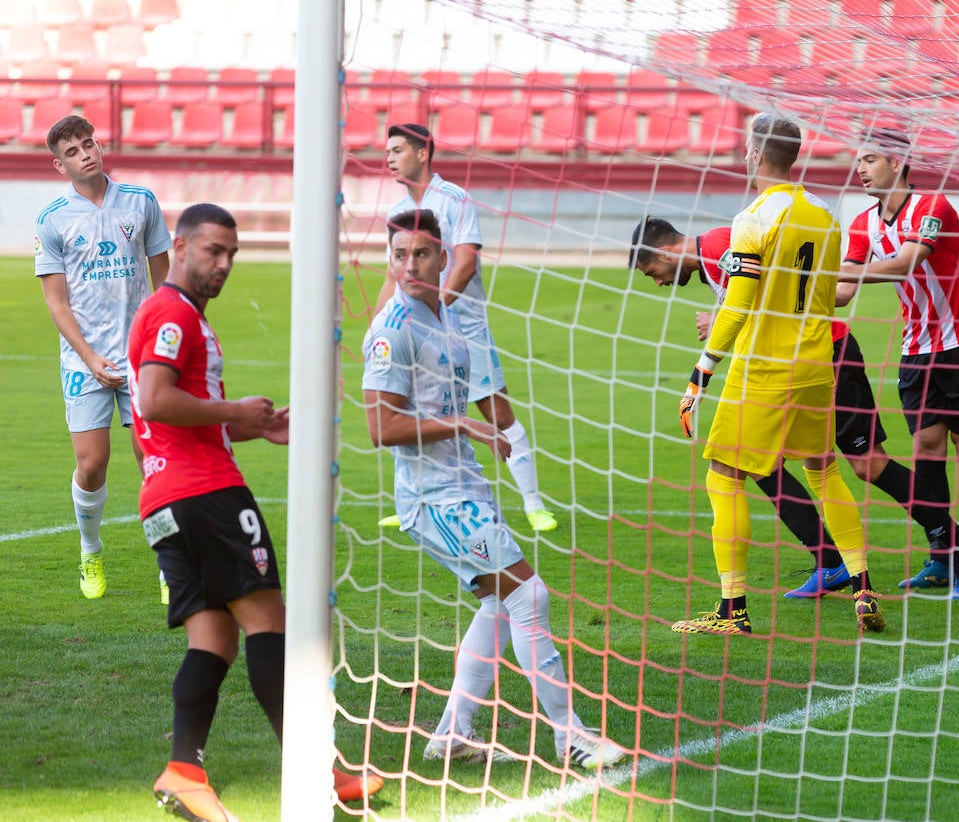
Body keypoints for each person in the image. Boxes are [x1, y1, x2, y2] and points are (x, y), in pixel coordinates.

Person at [131, 204, 383, 822]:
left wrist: (253, 427)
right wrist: (234, 414)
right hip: (207, 495)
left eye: (232, 254)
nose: (223, 264)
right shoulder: (172, 313)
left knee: (212, 639)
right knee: (270, 623)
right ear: (181, 245)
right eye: (213, 250)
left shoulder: (180, 316)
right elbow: (155, 400)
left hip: (165, 499)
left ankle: (184, 769)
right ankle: (316, 771)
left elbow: (170, 419)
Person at [364, 209, 625, 770]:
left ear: (445, 256)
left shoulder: (449, 321)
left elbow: (470, 399)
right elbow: (380, 428)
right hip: (432, 499)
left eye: (423, 253)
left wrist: (484, 426)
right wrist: (463, 425)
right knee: (528, 597)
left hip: (464, 487)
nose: (410, 264)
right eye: (401, 254)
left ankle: (451, 733)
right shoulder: (393, 331)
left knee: (502, 605)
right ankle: (570, 736)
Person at [630, 216, 927, 600]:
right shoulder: (714, 258)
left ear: (666, 251)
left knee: (862, 462)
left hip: (817, 356)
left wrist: (705, 359)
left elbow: (769, 302)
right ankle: (842, 569)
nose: (657, 282)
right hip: (795, 361)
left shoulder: (723, 246)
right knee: (771, 465)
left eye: (652, 271)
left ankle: (951, 542)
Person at [673, 114, 884, 636]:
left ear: (754, 154)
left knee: (723, 476)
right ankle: (862, 587)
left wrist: (701, 373)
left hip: (764, 370)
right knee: (824, 469)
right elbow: (827, 293)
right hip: (816, 364)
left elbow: (739, 303)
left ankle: (732, 610)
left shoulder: (752, 220)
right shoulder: (825, 218)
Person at [373, 123, 557, 533]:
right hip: (412, 332)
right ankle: (411, 504)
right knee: (403, 408)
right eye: (387, 151)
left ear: (423, 154)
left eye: (397, 150)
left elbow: (466, 261)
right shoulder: (395, 214)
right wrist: (381, 320)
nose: (389, 158)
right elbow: (394, 272)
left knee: (495, 411)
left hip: (462, 327)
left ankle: (533, 504)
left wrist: (437, 315)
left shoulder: (454, 199)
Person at [839, 130, 959, 598]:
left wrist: (838, 274)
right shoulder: (862, 223)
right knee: (927, 446)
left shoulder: (934, 206)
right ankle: (943, 552)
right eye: (859, 160)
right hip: (916, 348)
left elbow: (907, 263)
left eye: (869, 159)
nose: (861, 169)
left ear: (897, 162)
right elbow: (844, 290)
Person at [35, 113, 171, 600]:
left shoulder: (141, 203)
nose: (85, 154)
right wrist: (91, 358)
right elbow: (56, 301)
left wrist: (160, 346)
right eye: (73, 151)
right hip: (84, 362)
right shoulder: (52, 219)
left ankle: (169, 564)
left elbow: (164, 284)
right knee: (92, 463)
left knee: (152, 460)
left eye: (88, 144)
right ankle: (90, 552)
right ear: (59, 164)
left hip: (141, 358)